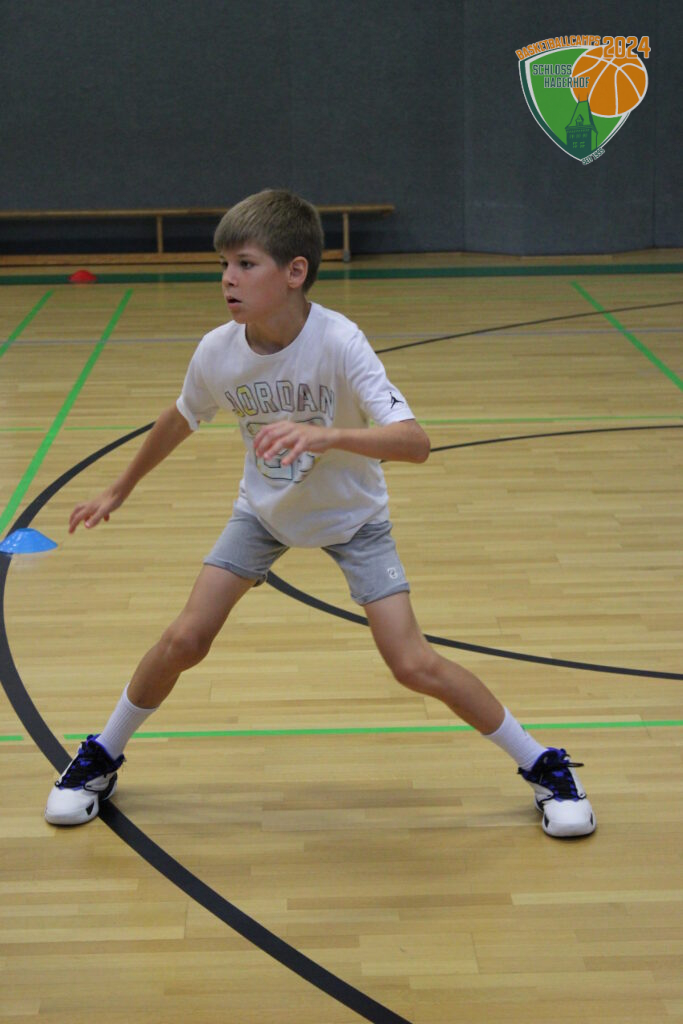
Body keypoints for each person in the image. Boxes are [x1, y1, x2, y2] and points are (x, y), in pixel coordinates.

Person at [44, 189, 595, 839]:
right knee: (184, 639)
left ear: (295, 271)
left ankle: (544, 765)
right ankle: (100, 756)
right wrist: (120, 487)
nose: (227, 279)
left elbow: (415, 443)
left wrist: (327, 435)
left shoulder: (339, 341)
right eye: (223, 265)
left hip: (353, 520)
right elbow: (182, 416)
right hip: (263, 514)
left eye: (245, 264)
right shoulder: (218, 350)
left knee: (411, 664)